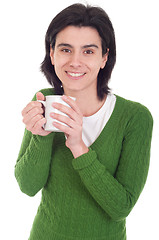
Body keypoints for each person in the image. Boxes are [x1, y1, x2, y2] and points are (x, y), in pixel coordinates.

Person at [15, 3, 153, 240]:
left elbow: (121, 207)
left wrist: (79, 147)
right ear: (52, 54)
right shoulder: (44, 101)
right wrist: (41, 136)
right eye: (66, 50)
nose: (75, 61)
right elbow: (28, 187)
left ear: (104, 57)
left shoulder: (135, 118)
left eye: (88, 51)